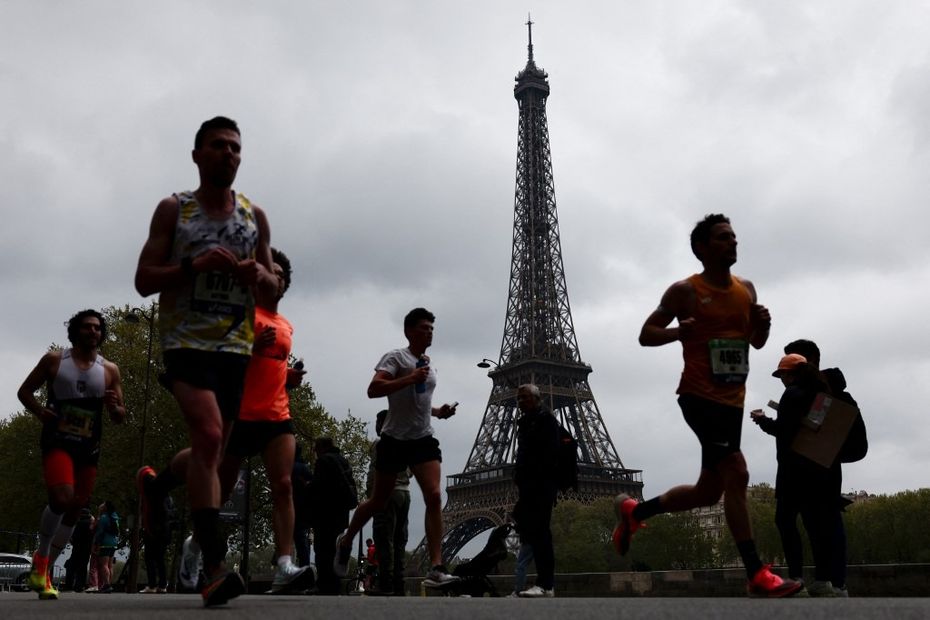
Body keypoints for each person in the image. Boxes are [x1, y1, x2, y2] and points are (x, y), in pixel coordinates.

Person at [134, 116, 275, 607]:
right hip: (185, 343)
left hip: (235, 347)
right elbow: (144, 279)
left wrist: (258, 271)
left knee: (210, 454)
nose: (228, 154)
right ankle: (215, 567)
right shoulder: (175, 210)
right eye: (218, 146)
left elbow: (274, 285)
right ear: (197, 155)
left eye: (235, 147)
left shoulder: (253, 216)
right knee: (212, 437)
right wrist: (195, 265)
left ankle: (160, 485)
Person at [623, 213, 801, 597]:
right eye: (722, 238)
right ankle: (756, 573)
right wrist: (677, 333)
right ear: (701, 248)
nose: (732, 243)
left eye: (734, 237)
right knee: (737, 472)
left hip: (732, 401)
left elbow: (755, 343)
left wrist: (764, 325)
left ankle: (636, 512)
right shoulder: (684, 291)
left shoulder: (746, 290)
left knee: (708, 491)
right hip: (698, 396)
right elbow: (645, 335)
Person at [333, 308, 459, 587]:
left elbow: (420, 403)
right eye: (424, 327)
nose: (430, 332)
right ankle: (347, 539)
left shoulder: (427, 362)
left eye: (432, 328)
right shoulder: (396, 357)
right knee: (379, 500)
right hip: (394, 439)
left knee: (435, 496)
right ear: (409, 331)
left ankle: (436, 566)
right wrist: (409, 379)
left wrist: (440, 412)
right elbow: (373, 389)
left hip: (422, 437)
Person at [17, 309, 126, 600]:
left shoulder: (109, 370)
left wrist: (115, 407)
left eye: (98, 328)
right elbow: (24, 391)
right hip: (57, 441)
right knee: (61, 499)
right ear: (75, 331)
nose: (93, 332)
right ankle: (41, 557)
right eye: (87, 327)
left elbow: (119, 415)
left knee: (76, 509)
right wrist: (41, 412)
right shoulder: (54, 360)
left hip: (89, 446)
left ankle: (44, 572)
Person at [751, 354, 839, 596]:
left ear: (789, 374)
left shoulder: (792, 394)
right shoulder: (822, 396)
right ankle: (823, 580)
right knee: (815, 525)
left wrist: (762, 421)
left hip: (793, 470)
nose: (781, 380)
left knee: (785, 521)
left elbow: (784, 431)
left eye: (782, 375)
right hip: (818, 469)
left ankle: (796, 578)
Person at [511, 384, 560, 598]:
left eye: (525, 398)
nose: (521, 401)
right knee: (533, 532)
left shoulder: (546, 420)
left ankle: (545, 584)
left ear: (537, 399)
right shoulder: (525, 422)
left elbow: (550, 454)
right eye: (519, 398)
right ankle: (543, 583)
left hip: (541, 484)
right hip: (528, 485)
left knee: (541, 534)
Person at [368, 409, 411, 596]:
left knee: (384, 540)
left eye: (378, 423)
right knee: (400, 540)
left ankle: (385, 584)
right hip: (405, 493)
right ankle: (398, 584)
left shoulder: (381, 444)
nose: (376, 427)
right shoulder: (406, 443)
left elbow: (374, 474)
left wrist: (371, 497)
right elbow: (411, 471)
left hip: (386, 494)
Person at [310, 437, 357, 595]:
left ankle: (323, 584)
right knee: (335, 550)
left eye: (316, 448)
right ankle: (335, 584)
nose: (315, 452)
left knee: (322, 549)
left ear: (322, 447)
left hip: (325, 514)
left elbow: (318, 489)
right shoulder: (343, 461)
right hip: (341, 515)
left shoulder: (323, 461)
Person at [291, 444, 314, 568]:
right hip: (303, 509)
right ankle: (304, 565)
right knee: (302, 539)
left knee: (297, 538)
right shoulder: (305, 468)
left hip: (293, 507)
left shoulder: (290, 467)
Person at [63, 507, 93, 592]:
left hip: (77, 548)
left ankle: (69, 584)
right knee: (83, 567)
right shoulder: (91, 525)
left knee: (71, 566)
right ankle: (80, 585)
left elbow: (73, 537)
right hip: (87, 549)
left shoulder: (78, 524)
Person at [93, 501, 119, 593]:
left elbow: (100, 532)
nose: (101, 505)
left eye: (103, 504)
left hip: (105, 543)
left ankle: (106, 584)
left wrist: (96, 544)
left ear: (105, 507)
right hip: (114, 543)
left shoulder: (104, 517)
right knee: (110, 565)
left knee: (103, 564)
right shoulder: (115, 517)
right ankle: (109, 584)